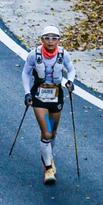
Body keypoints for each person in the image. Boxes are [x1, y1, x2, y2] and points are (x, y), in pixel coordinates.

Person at [21, 24, 75, 184]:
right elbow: (26, 72)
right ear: (41, 39)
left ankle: (47, 154)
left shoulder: (63, 54)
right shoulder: (34, 55)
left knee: (53, 131)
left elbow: (71, 69)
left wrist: (70, 81)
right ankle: (48, 168)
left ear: (59, 39)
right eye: (47, 38)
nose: (50, 41)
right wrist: (27, 93)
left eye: (54, 38)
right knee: (46, 132)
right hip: (39, 97)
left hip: (56, 97)